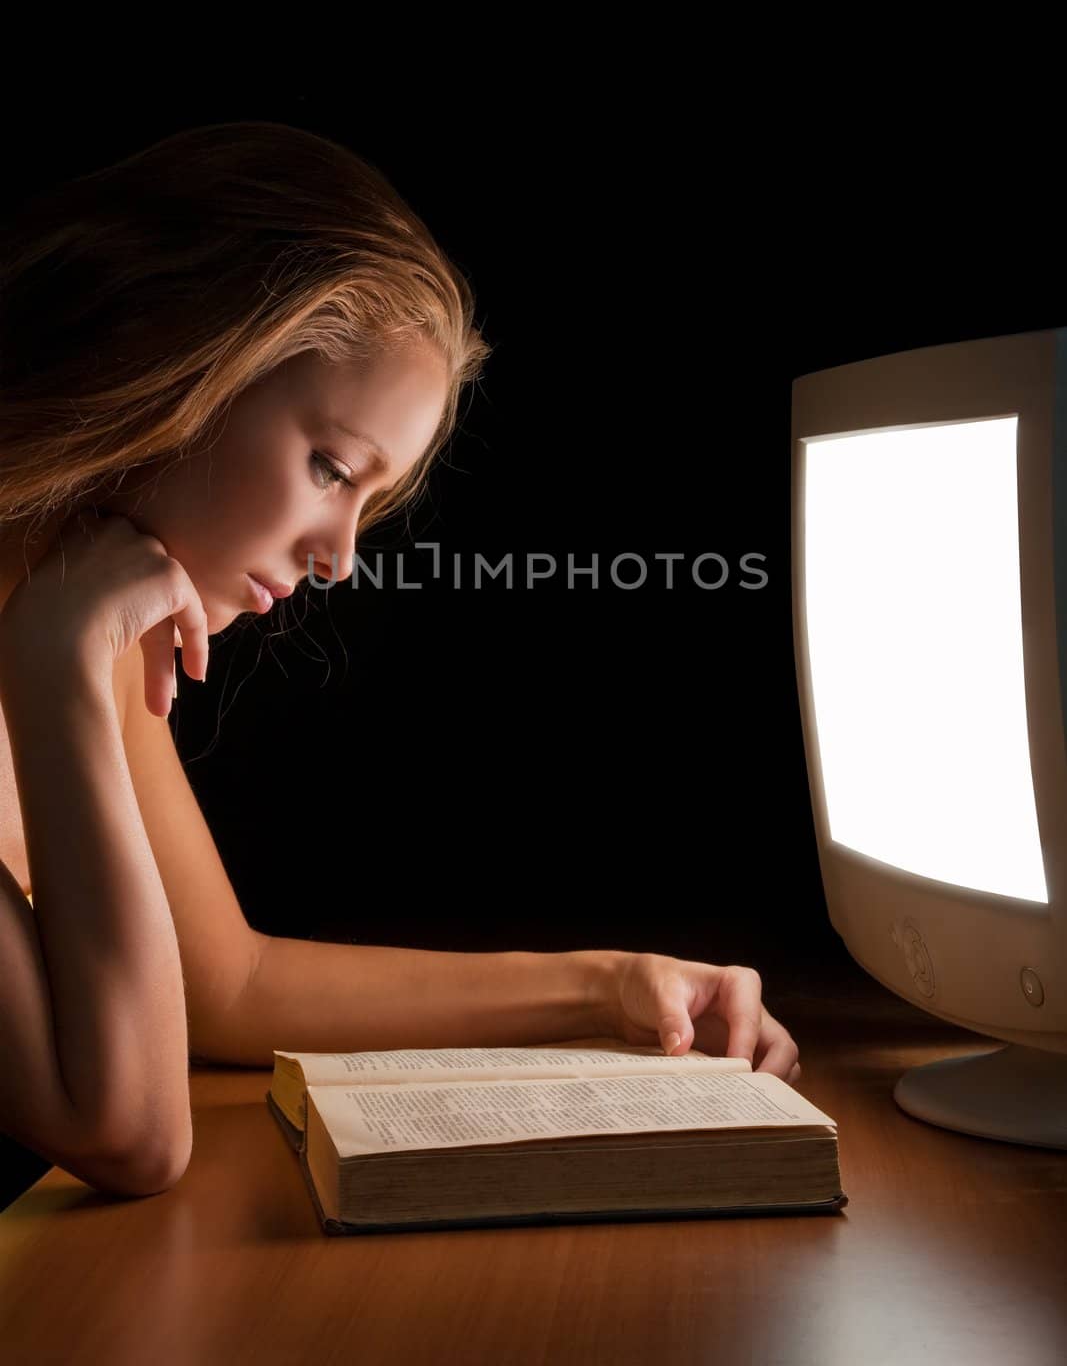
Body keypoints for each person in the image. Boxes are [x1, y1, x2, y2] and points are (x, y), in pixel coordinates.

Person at [0, 121, 801, 1204]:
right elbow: (128, 1133)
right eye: (330, 465)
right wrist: (53, 662)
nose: (338, 555)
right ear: (175, 363)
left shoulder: (81, 627)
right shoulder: (66, 639)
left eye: (369, 501)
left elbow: (228, 983)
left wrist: (609, 986)